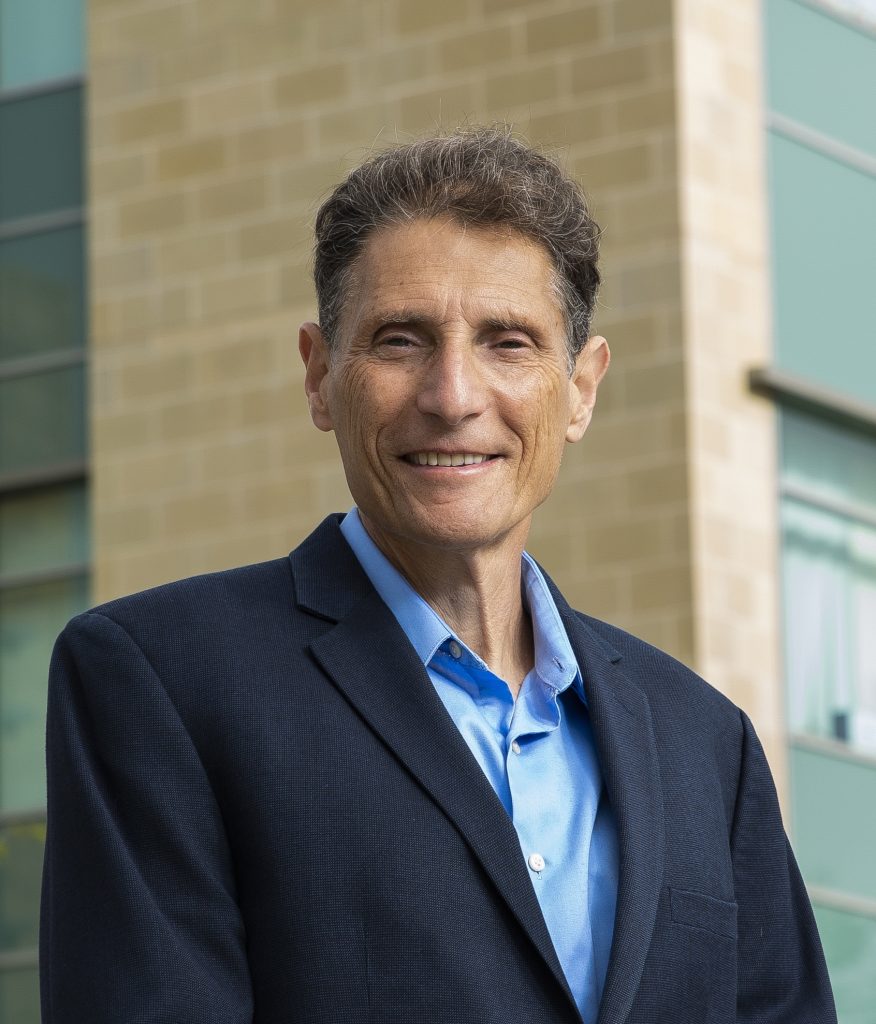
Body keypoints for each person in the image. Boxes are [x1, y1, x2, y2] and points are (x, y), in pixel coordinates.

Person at [40, 126, 836, 1023]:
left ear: (580, 388)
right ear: (319, 376)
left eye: (508, 342)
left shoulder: (706, 743)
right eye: (400, 340)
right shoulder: (161, 681)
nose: (453, 395)